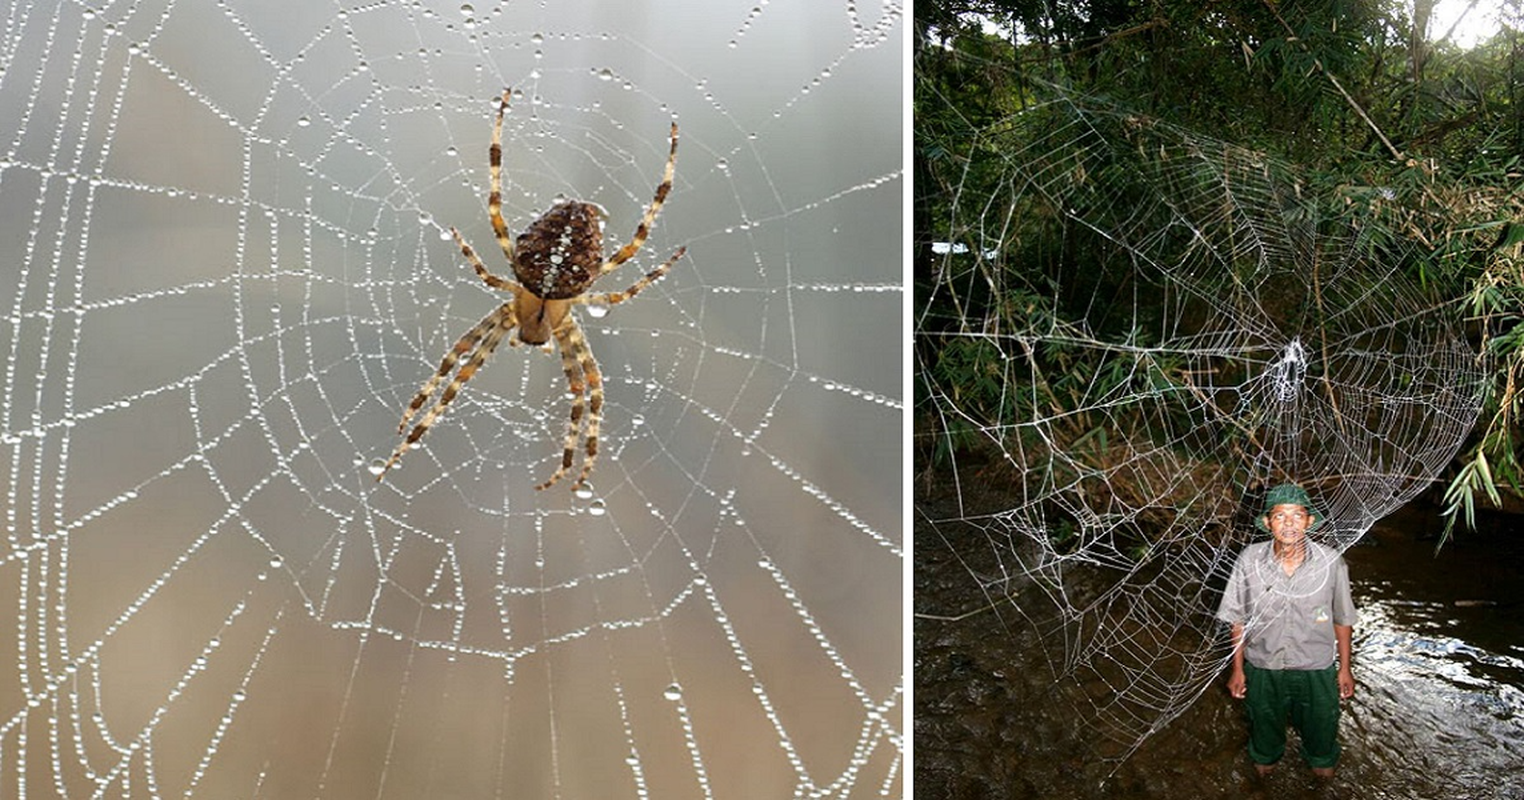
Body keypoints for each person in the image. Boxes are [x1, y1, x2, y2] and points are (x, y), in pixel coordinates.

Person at [1216, 483, 1356, 778]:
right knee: (1264, 751)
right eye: (1280, 516)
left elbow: (1342, 618)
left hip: (1316, 669)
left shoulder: (1332, 562)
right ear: (1268, 523)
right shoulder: (1248, 560)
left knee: (1323, 755)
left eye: (1297, 515)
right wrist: (1238, 670)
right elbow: (1237, 619)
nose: (1289, 523)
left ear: (1310, 521)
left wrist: (1345, 668)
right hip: (1264, 667)